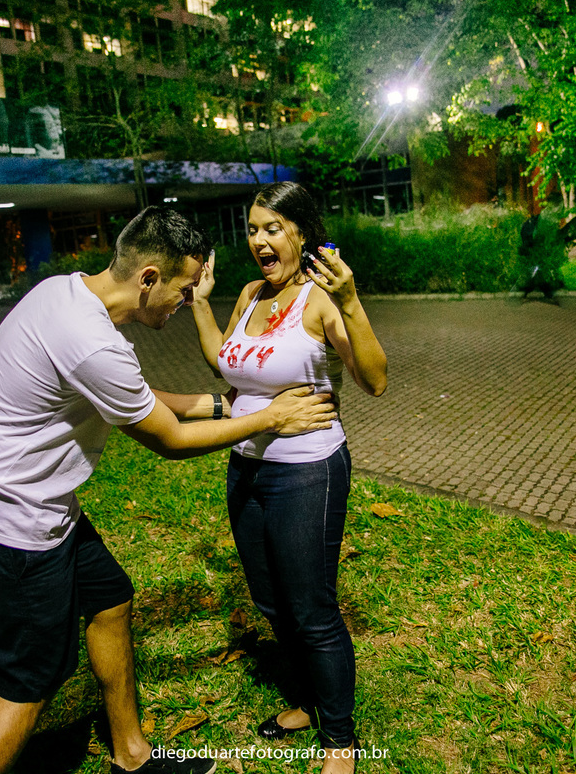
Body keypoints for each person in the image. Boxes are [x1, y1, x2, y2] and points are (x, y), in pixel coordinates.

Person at [0, 206, 336, 774]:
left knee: (110, 600)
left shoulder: (63, 294)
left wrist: (232, 403)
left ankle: (131, 757)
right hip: (5, 526)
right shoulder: (92, 342)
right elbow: (170, 439)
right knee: (31, 685)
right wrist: (268, 418)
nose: (182, 305)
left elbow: (141, 395)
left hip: (35, 508)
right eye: (181, 291)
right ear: (148, 277)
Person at [188, 183, 387, 773]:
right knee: (271, 600)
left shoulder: (321, 301)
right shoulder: (250, 294)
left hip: (308, 470)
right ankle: (303, 699)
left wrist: (351, 301)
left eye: (272, 228)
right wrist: (200, 302)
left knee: (312, 607)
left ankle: (341, 743)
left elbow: (375, 380)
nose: (259, 241)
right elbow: (228, 361)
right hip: (245, 465)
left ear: (301, 231)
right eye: (252, 229)